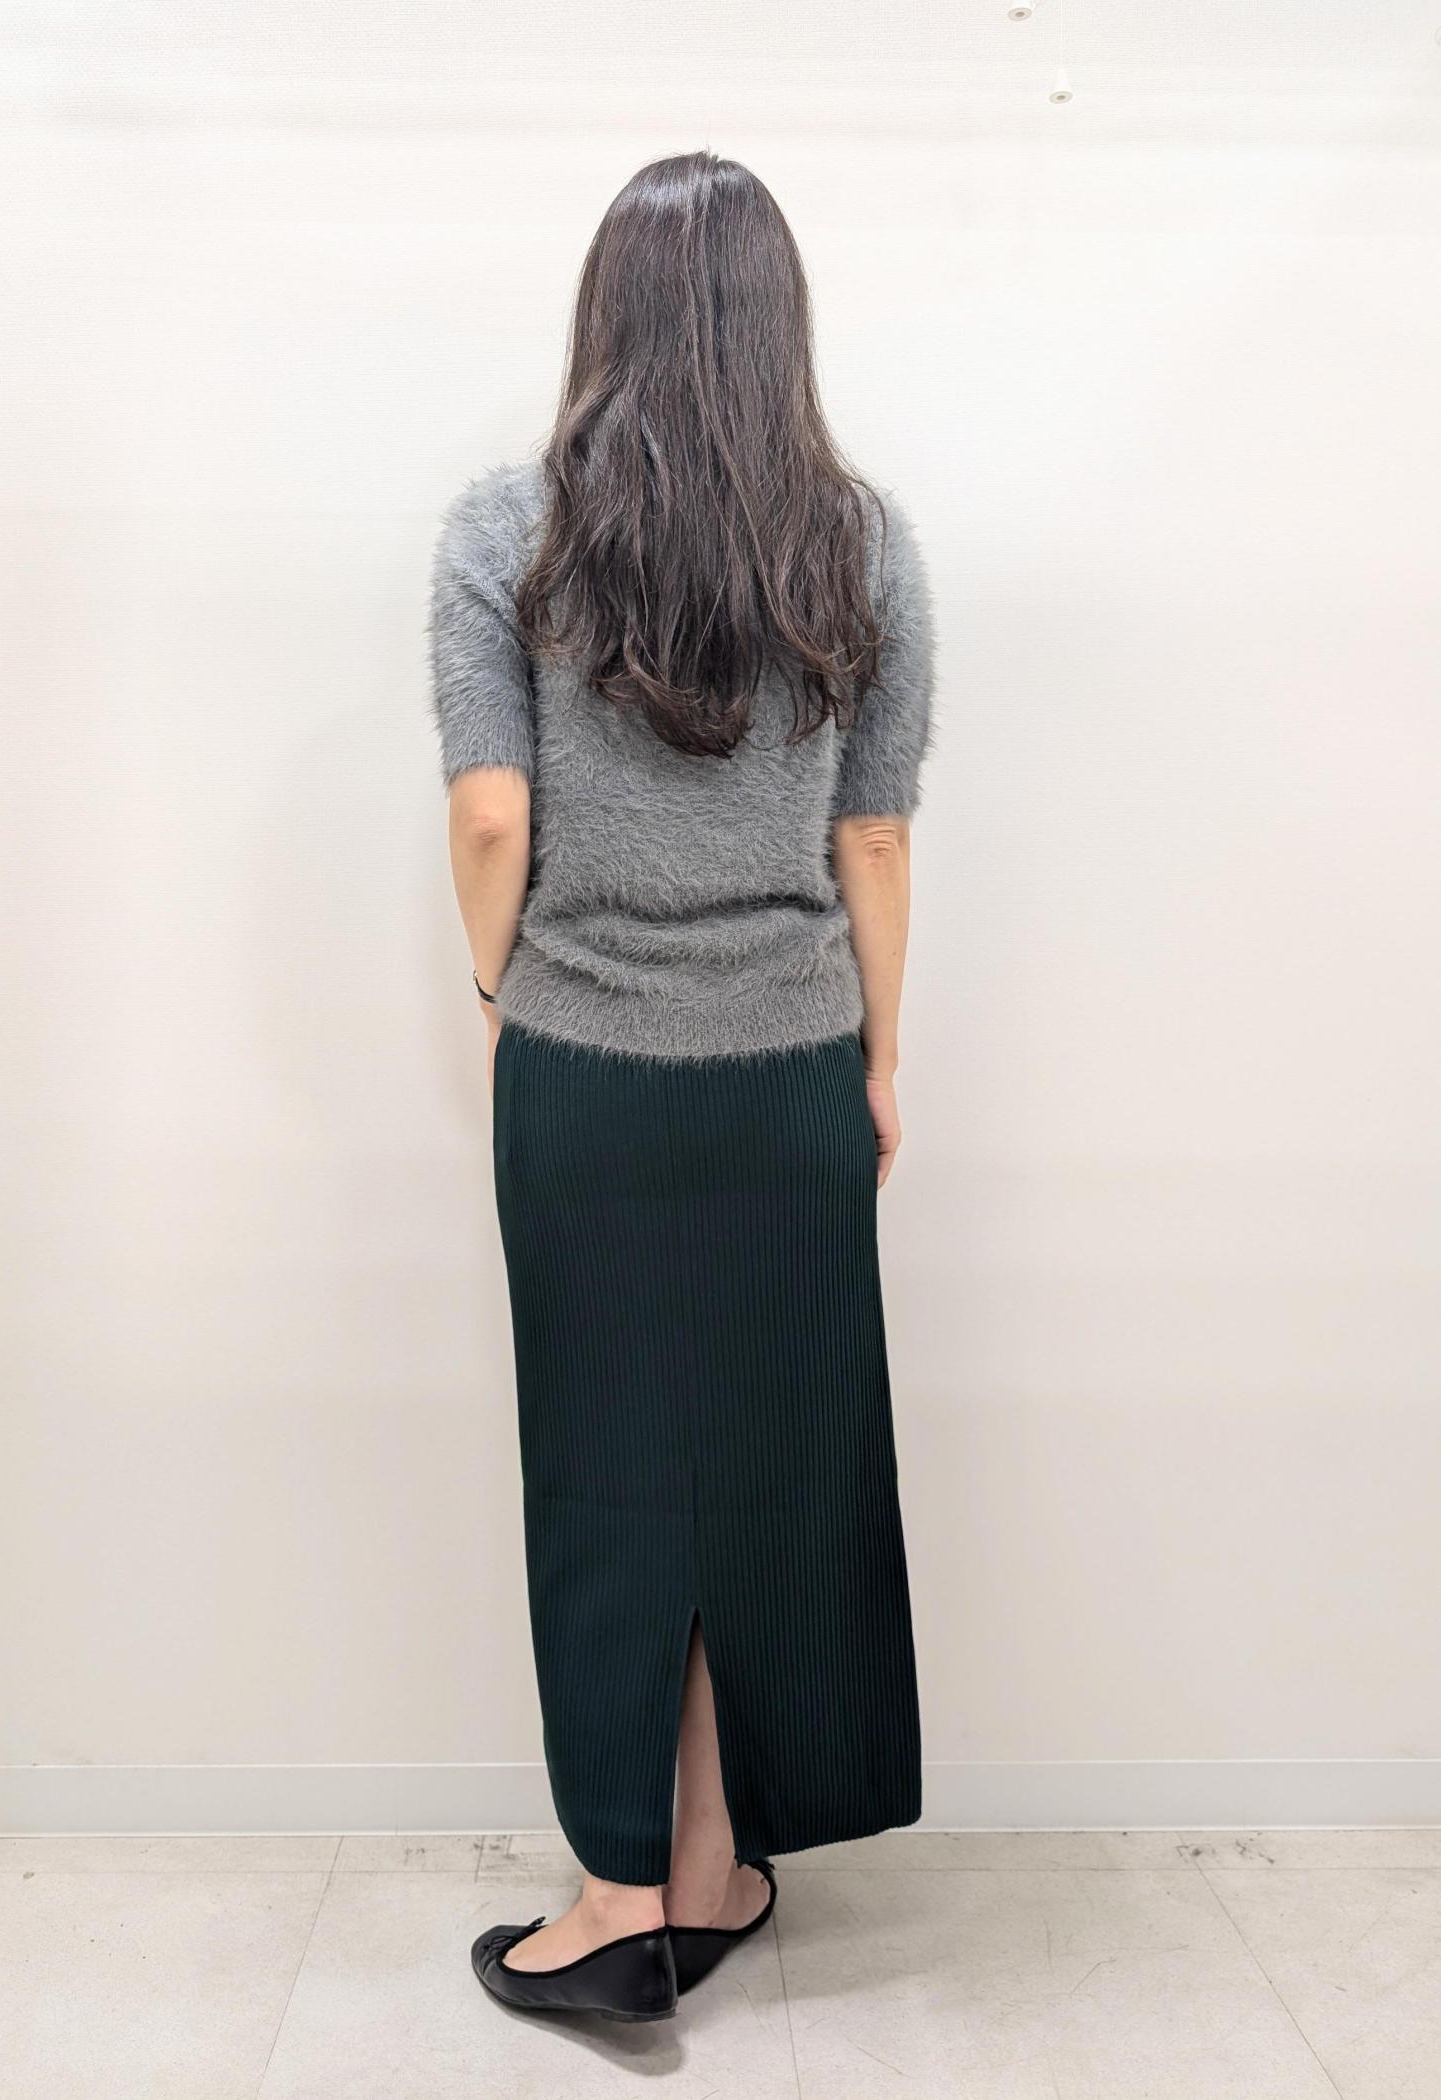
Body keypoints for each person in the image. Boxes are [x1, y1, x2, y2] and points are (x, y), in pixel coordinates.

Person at [428, 148, 935, 2025]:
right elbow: (872, 839)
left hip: (587, 1075)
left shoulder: (508, 529)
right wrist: (877, 1061)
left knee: (612, 1476)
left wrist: (500, 982)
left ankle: (628, 1896)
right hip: (787, 1075)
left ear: (607, 312)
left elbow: (494, 815)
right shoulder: (862, 543)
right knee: (772, 1475)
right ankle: (711, 1866)